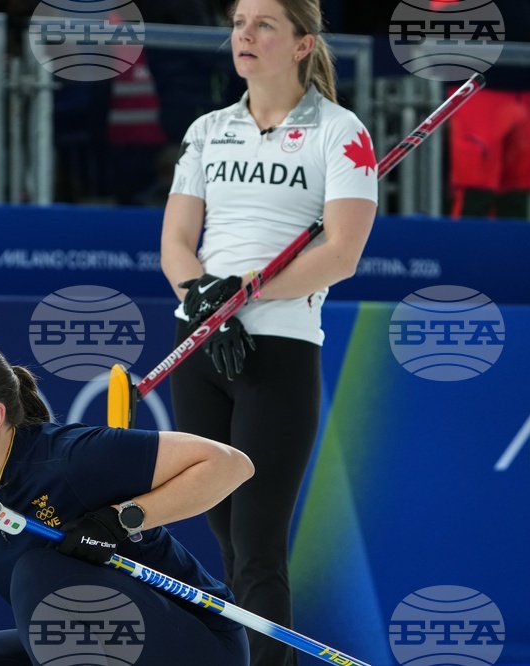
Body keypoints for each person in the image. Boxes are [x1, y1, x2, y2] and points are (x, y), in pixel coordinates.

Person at [159, 0, 377, 663]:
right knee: (228, 545)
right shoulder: (208, 129)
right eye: (237, 24)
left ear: (303, 44)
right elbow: (174, 240)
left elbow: (341, 254)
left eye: (263, 25)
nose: (243, 36)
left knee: (257, 545)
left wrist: (244, 295)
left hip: (277, 352)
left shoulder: (341, 131)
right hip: (199, 346)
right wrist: (202, 298)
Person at [0, 342, 254, 665]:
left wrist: (118, 521)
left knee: (38, 572)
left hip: (198, 642)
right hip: (95, 641)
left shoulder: (70, 458)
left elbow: (230, 465)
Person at [445, 0, 530, 220]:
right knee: (474, 186)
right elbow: (441, 12)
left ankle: (510, 252)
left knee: (520, 188)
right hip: (477, 85)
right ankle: (463, 252)